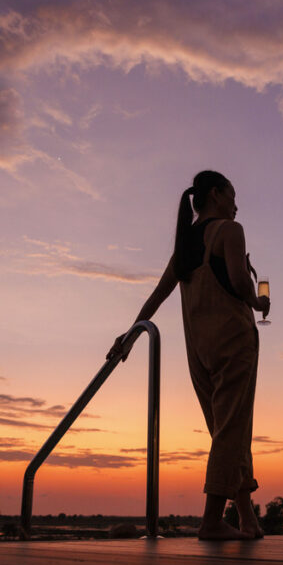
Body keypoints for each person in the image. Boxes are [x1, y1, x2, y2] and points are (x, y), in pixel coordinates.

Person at [108, 170, 270, 540]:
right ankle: (211, 521)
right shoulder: (230, 230)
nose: (236, 204)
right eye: (232, 195)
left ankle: (247, 519)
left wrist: (131, 334)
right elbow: (241, 283)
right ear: (215, 194)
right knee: (232, 430)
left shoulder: (185, 245)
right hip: (234, 344)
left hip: (199, 351)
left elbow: (158, 294)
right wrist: (259, 301)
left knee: (228, 431)